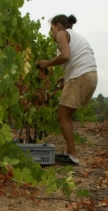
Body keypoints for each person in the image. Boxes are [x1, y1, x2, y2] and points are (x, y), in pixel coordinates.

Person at [37, 14, 97, 166]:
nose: (51, 33)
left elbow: (65, 56)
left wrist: (47, 64)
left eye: (51, 29)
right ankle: (70, 152)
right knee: (66, 115)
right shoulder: (75, 36)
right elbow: (76, 58)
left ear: (58, 25)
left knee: (63, 116)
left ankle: (72, 155)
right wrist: (66, 77)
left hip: (81, 75)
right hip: (90, 75)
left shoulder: (62, 34)